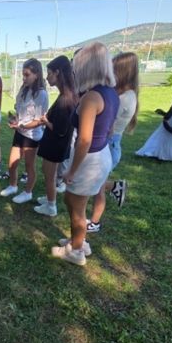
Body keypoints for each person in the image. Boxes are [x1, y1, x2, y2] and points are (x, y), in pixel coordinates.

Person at [51, 42, 119, 266]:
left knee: (76, 208)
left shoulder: (91, 98)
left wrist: (71, 171)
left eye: (76, 67)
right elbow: (109, 128)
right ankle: (78, 240)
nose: (74, 71)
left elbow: (84, 140)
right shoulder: (111, 93)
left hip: (89, 159)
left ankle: (77, 251)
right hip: (100, 154)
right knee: (73, 202)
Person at [86, 52, 139, 232]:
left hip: (110, 144)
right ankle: (115, 186)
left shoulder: (127, 97)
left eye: (113, 68)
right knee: (95, 183)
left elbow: (106, 120)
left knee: (98, 187)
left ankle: (95, 222)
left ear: (123, 71)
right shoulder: (119, 93)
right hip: (107, 142)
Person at [34, 56, 78, 217]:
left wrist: (45, 121)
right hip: (55, 144)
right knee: (48, 173)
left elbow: (60, 129)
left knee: (49, 175)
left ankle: (51, 206)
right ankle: (49, 198)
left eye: (49, 73)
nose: (47, 77)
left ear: (58, 73)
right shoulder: (66, 94)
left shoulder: (66, 99)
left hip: (55, 144)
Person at [0, 58, 48, 203]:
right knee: (12, 163)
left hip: (32, 136)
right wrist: (15, 119)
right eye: (23, 74)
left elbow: (38, 121)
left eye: (27, 75)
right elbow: (21, 112)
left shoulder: (41, 94)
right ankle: (13, 186)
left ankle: (28, 192)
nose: (24, 78)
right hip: (20, 133)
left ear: (36, 74)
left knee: (29, 166)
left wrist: (20, 125)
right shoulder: (23, 89)